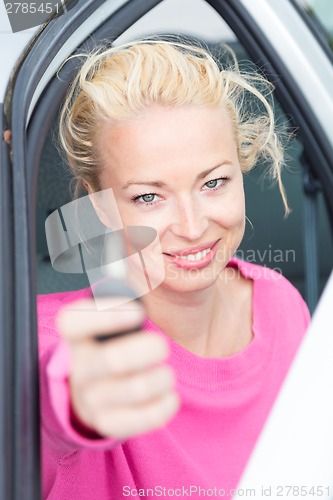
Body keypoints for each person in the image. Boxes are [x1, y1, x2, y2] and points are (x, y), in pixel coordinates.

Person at [38, 39, 310, 499]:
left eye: (214, 182)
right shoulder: (46, 337)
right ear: (99, 206)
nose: (192, 226)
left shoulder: (279, 299)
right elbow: (46, 396)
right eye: (149, 196)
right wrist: (76, 404)